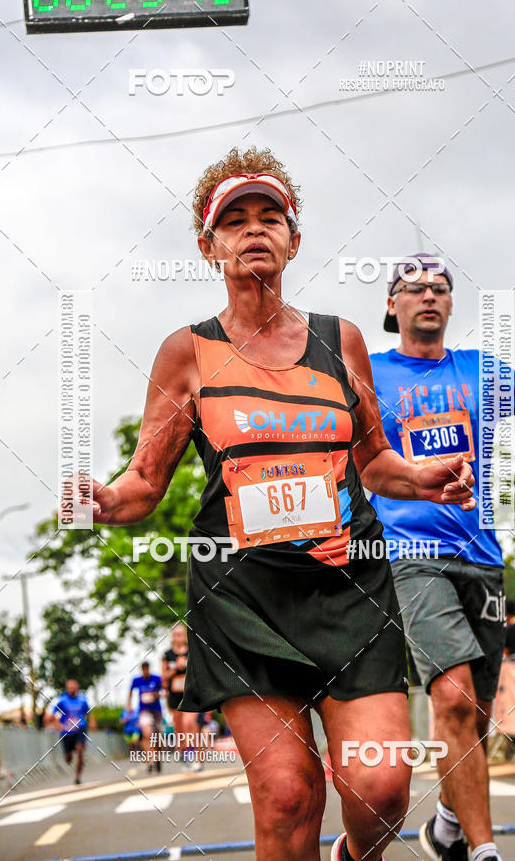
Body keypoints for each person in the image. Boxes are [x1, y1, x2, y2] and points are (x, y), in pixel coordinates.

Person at [87, 148, 476, 861]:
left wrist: (422, 479)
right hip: (244, 597)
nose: (254, 230)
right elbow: (145, 481)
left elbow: (374, 460)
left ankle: (353, 855)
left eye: (271, 216)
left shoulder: (340, 340)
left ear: (295, 239)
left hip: (348, 583)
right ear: (209, 247)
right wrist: (104, 500)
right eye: (233, 221)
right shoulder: (188, 353)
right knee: (288, 793)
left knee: (382, 787)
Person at [370, 255, 515, 861]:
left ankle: (445, 825)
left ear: (450, 304)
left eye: (440, 288)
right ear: (392, 306)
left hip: (482, 559)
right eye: (413, 290)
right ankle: (483, 851)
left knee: (477, 712)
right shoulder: (370, 376)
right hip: (410, 554)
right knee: (455, 698)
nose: (429, 297)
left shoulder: (480, 370)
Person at [162, 623, 203, 771]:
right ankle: (185, 753)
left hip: (190, 694)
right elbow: (164, 676)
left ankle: (196, 757)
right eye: (175, 634)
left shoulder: (191, 652)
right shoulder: (167, 655)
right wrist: (175, 668)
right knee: (179, 729)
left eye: (180, 634)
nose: (177, 637)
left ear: (184, 636)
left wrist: (185, 665)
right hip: (175, 698)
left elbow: (199, 671)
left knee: (189, 723)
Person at [49, 678, 90, 785]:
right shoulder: (61, 700)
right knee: (68, 758)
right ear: (67, 688)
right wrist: (57, 725)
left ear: (77, 687)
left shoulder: (83, 699)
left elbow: (88, 712)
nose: (72, 688)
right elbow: (53, 714)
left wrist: (91, 722)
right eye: (69, 686)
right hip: (66, 731)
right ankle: (68, 756)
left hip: (80, 728)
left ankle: (77, 776)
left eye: (73, 686)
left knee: (80, 750)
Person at [127, 661, 163, 773]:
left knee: (157, 737)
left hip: (156, 711)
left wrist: (156, 695)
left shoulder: (156, 679)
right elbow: (130, 691)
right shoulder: (137, 680)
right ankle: (150, 760)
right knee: (147, 734)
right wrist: (129, 704)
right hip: (144, 711)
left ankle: (157, 757)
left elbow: (164, 691)